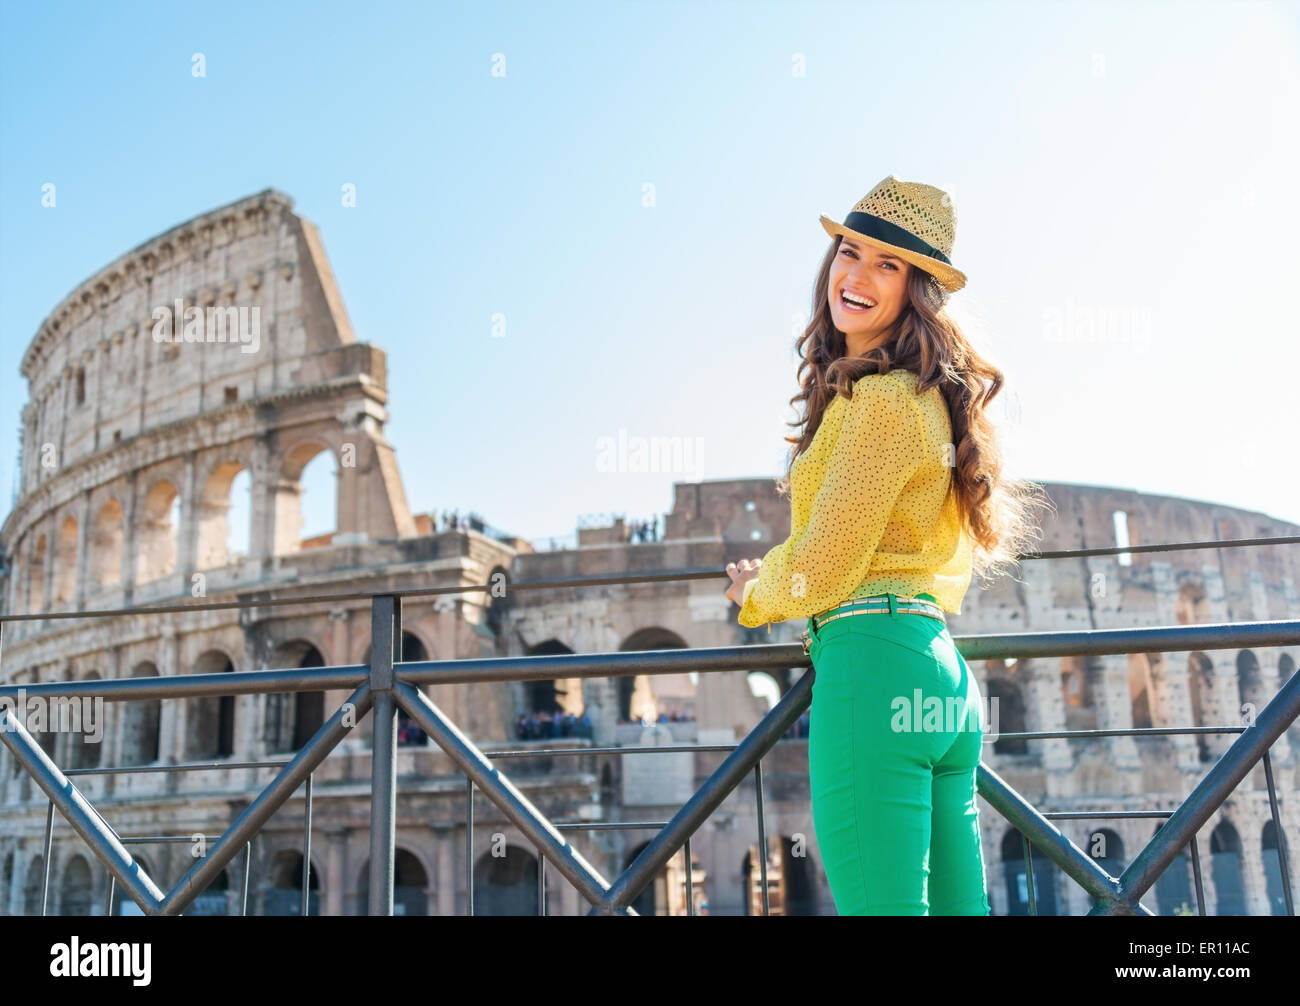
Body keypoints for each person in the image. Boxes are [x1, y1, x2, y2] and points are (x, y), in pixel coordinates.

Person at [724, 175, 1051, 916]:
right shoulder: (927, 394)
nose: (857, 276)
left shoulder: (881, 400)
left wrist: (755, 593)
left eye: (888, 264)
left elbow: (823, 565)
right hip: (940, 677)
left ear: (918, 289)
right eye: (850, 252)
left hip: (870, 670)